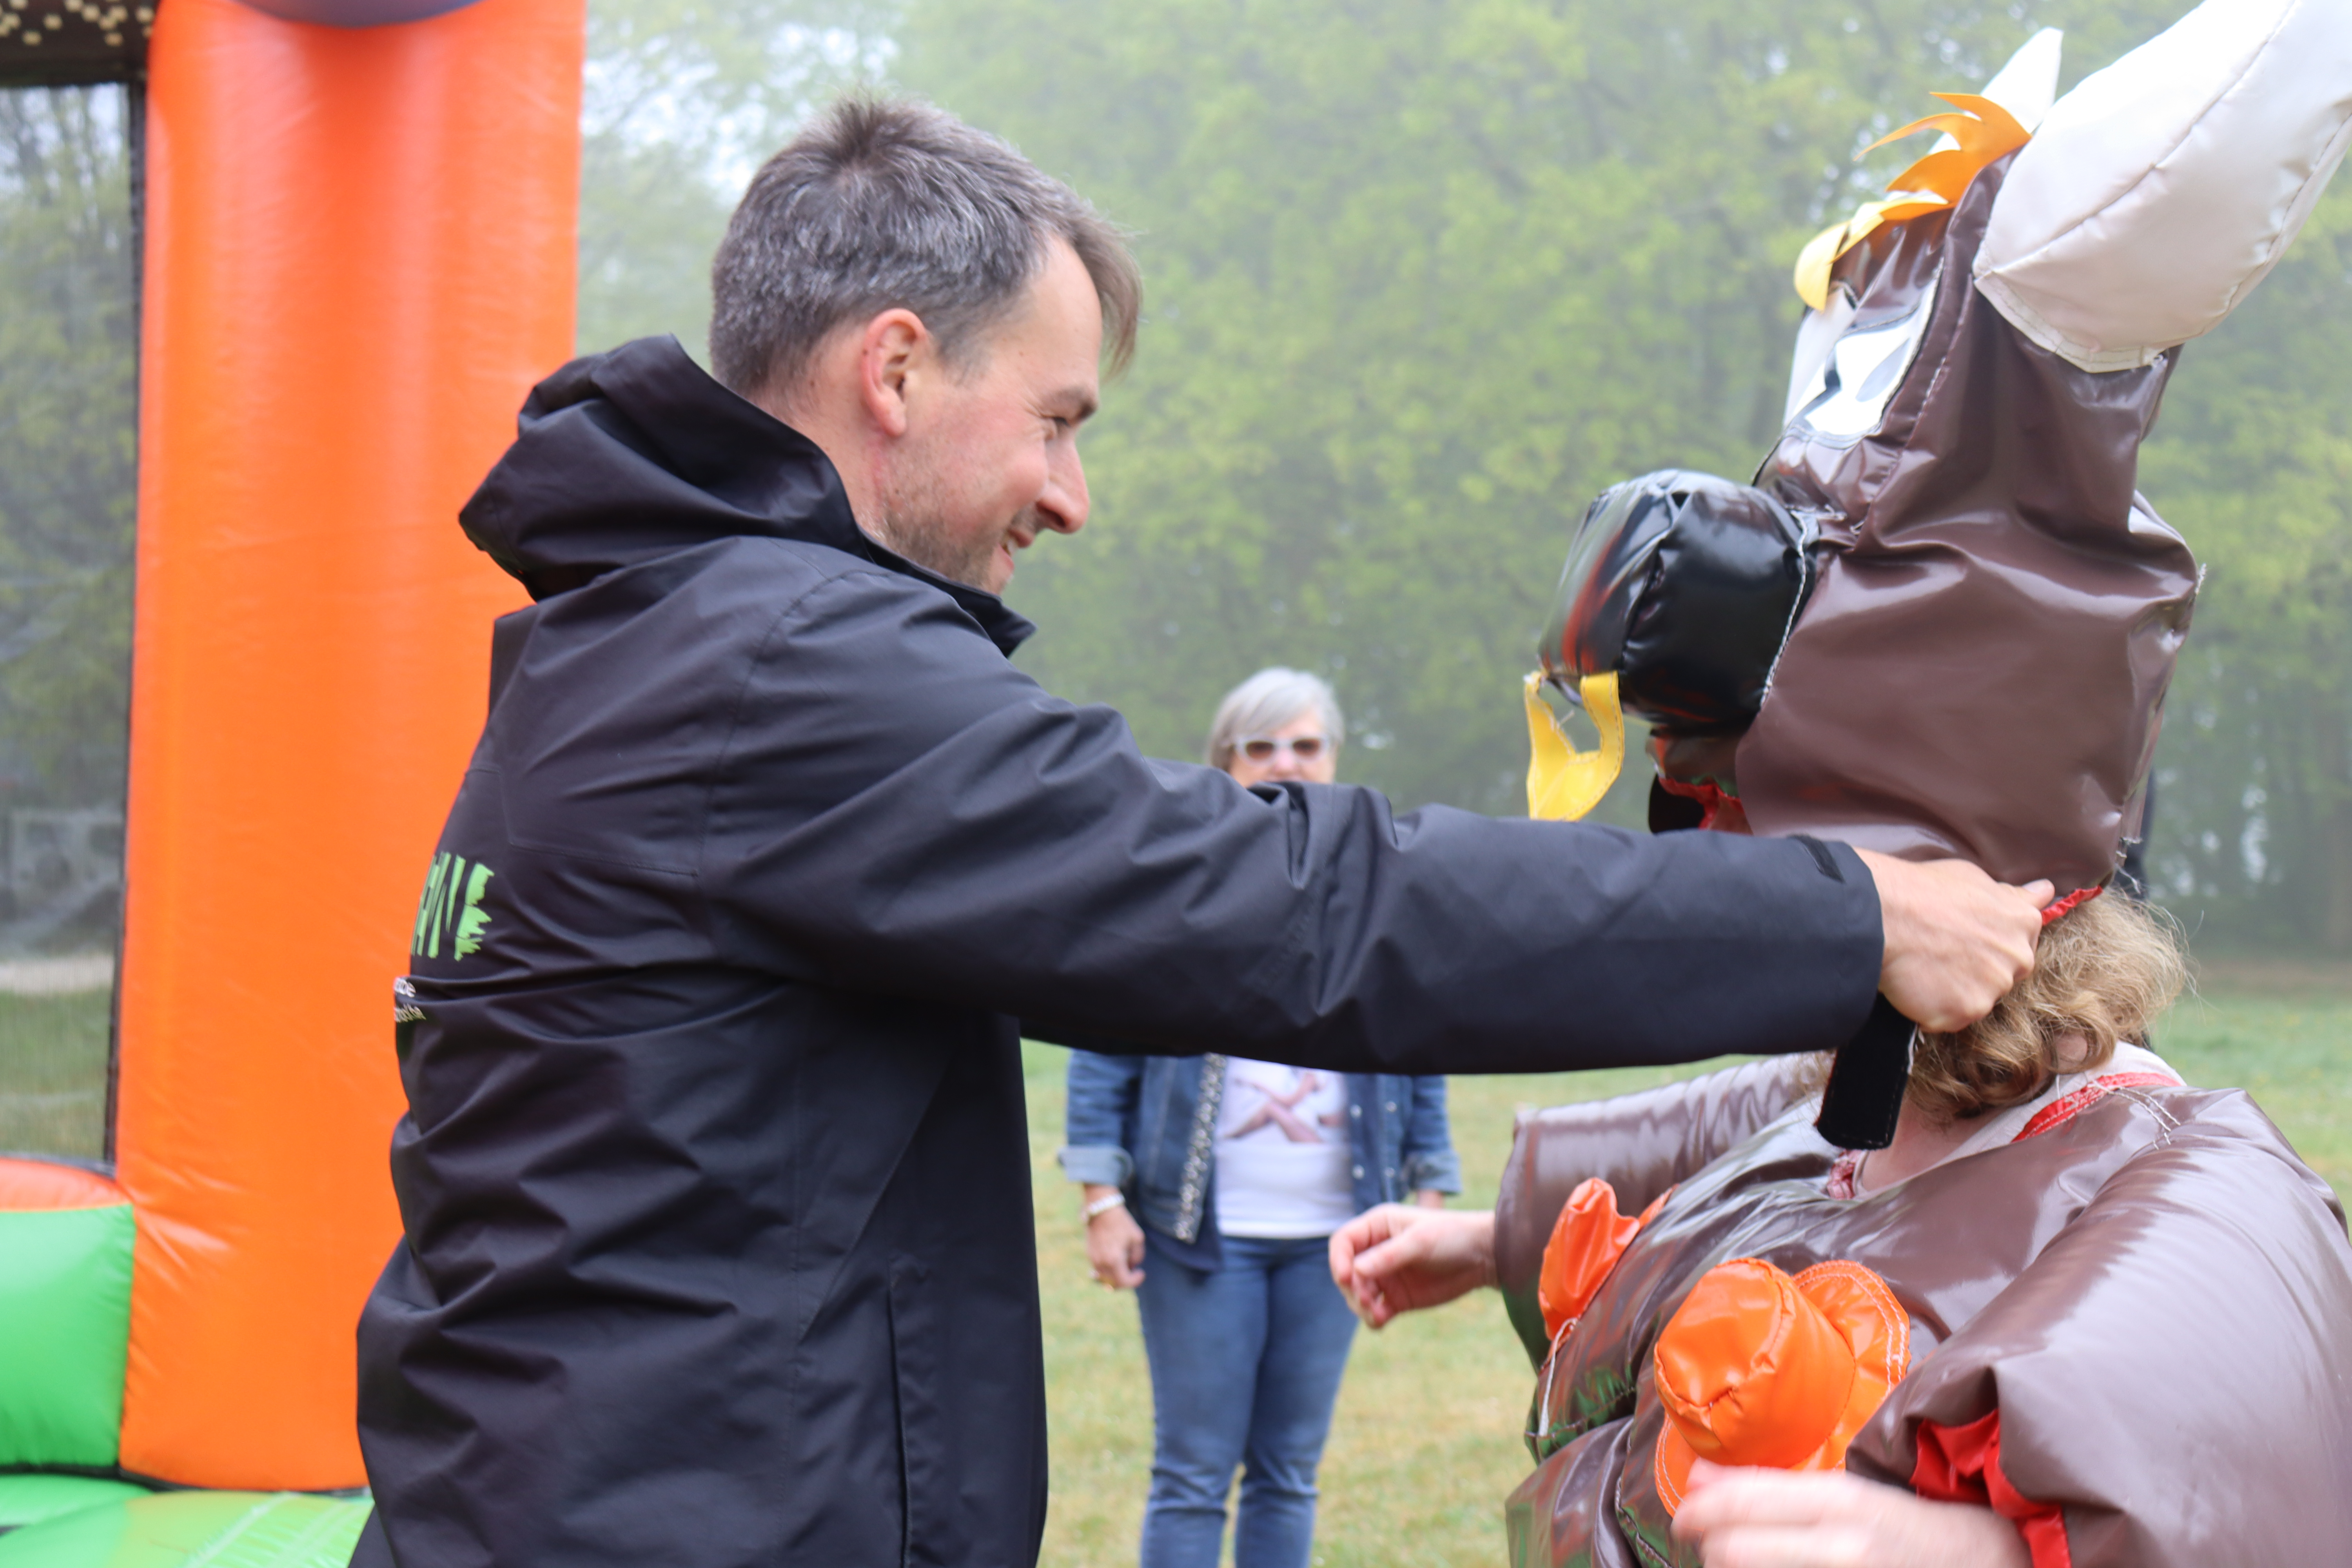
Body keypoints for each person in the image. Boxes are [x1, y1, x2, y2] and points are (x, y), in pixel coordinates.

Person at [350, 97, 2052, 1568]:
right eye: (1060, 419)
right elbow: (1297, 911)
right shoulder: (779, 668)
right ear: (895, 368)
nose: (1070, 496)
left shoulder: (646, 633)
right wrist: (1847, 920)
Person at [1332, 11, 2352, 1564]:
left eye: (1788, 876)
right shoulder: (1838, 1112)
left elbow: (2243, 1487)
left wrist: (1968, 1554)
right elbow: (1727, 1119)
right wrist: (1490, 1241)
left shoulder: (2187, 1195)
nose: (1750, 912)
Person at [1061, 666, 1460, 1568]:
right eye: (1262, 746)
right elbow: (1101, 1049)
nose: (1287, 761)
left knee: (1288, 1470)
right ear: (1226, 763)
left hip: (1335, 1236)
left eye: (1306, 744)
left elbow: (1417, 1046)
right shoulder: (1171, 897)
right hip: (1199, 1235)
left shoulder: (1378, 895)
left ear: (1334, 758)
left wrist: (1430, 1190)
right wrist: (1101, 1200)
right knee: (1194, 1470)